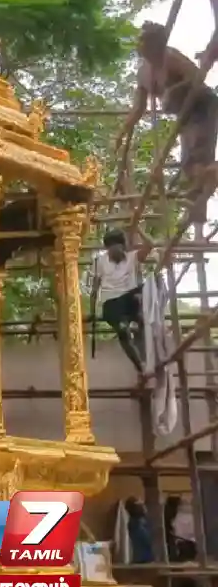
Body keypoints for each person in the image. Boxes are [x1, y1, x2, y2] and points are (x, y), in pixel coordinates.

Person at [116, 22, 218, 205]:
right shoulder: (143, 73)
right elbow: (138, 109)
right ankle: (200, 187)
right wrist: (121, 134)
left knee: (199, 151)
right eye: (140, 42)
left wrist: (173, 91)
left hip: (202, 105)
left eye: (145, 41)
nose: (141, 46)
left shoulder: (170, 57)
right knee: (188, 162)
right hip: (184, 115)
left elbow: (197, 77)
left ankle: (208, 177)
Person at [90, 228, 152, 374]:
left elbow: (150, 244)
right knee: (123, 333)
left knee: (145, 288)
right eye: (112, 249)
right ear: (107, 249)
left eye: (119, 247)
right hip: (111, 303)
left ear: (123, 247)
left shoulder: (132, 257)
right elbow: (94, 289)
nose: (116, 252)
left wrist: (138, 230)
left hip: (129, 299)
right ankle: (140, 367)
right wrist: (92, 311)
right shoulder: (100, 261)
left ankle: (144, 343)